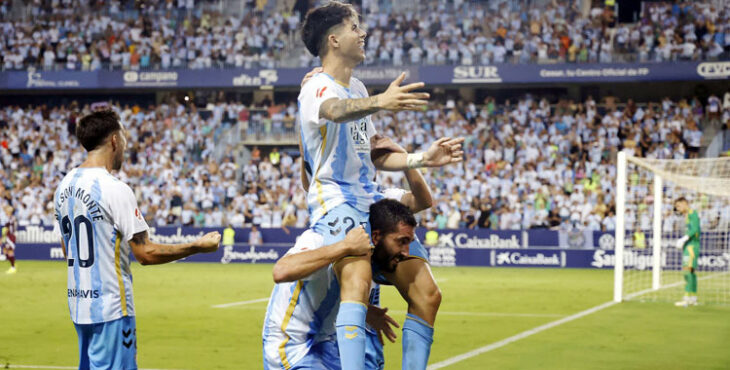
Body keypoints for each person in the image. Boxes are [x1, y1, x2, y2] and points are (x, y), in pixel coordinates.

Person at [298, 3, 461, 368]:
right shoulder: (316, 87)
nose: (363, 33)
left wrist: (421, 159)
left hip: (369, 199)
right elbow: (335, 111)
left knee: (427, 293)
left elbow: (375, 154)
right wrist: (381, 102)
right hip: (335, 199)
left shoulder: (355, 86)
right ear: (334, 39)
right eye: (355, 27)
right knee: (357, 277)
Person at [54, 110, 221, 369]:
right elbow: (145, 253)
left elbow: (68, 249)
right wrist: (197, 246)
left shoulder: (64, 185)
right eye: (123, 137)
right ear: (113, 141)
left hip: (79, 306)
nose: (125, 144)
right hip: (110, 309)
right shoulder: (115, 189)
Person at [263, 198, 415, 370]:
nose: (406, 252)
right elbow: (281, 270)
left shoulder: (367, 258)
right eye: (401, 241)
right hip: (291, 346)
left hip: (325, 343)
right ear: (377, 236)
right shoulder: (321, 237)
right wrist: (345, 246)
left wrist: (365, 310)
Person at [674, 197, 700, 307]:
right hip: (690, 245)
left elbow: (695, 229)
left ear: (685, 204)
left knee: (686, 271)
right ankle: (693, 298)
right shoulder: (688, 215)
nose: (678, 209)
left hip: (691, 246)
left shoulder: (692, 213)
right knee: (692, 272)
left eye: (678, 206)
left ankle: (687, 298)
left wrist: (684, 239)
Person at [2, 205, 17, 274]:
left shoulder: (11, 218)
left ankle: (13, 267)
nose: (5, 212)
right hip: (9, 236)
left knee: (10, 251)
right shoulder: (10, 218)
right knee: (5, 250)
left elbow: (7, 229)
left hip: (11, 236)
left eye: (6, 211)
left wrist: (2, 237)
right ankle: (13, 263)